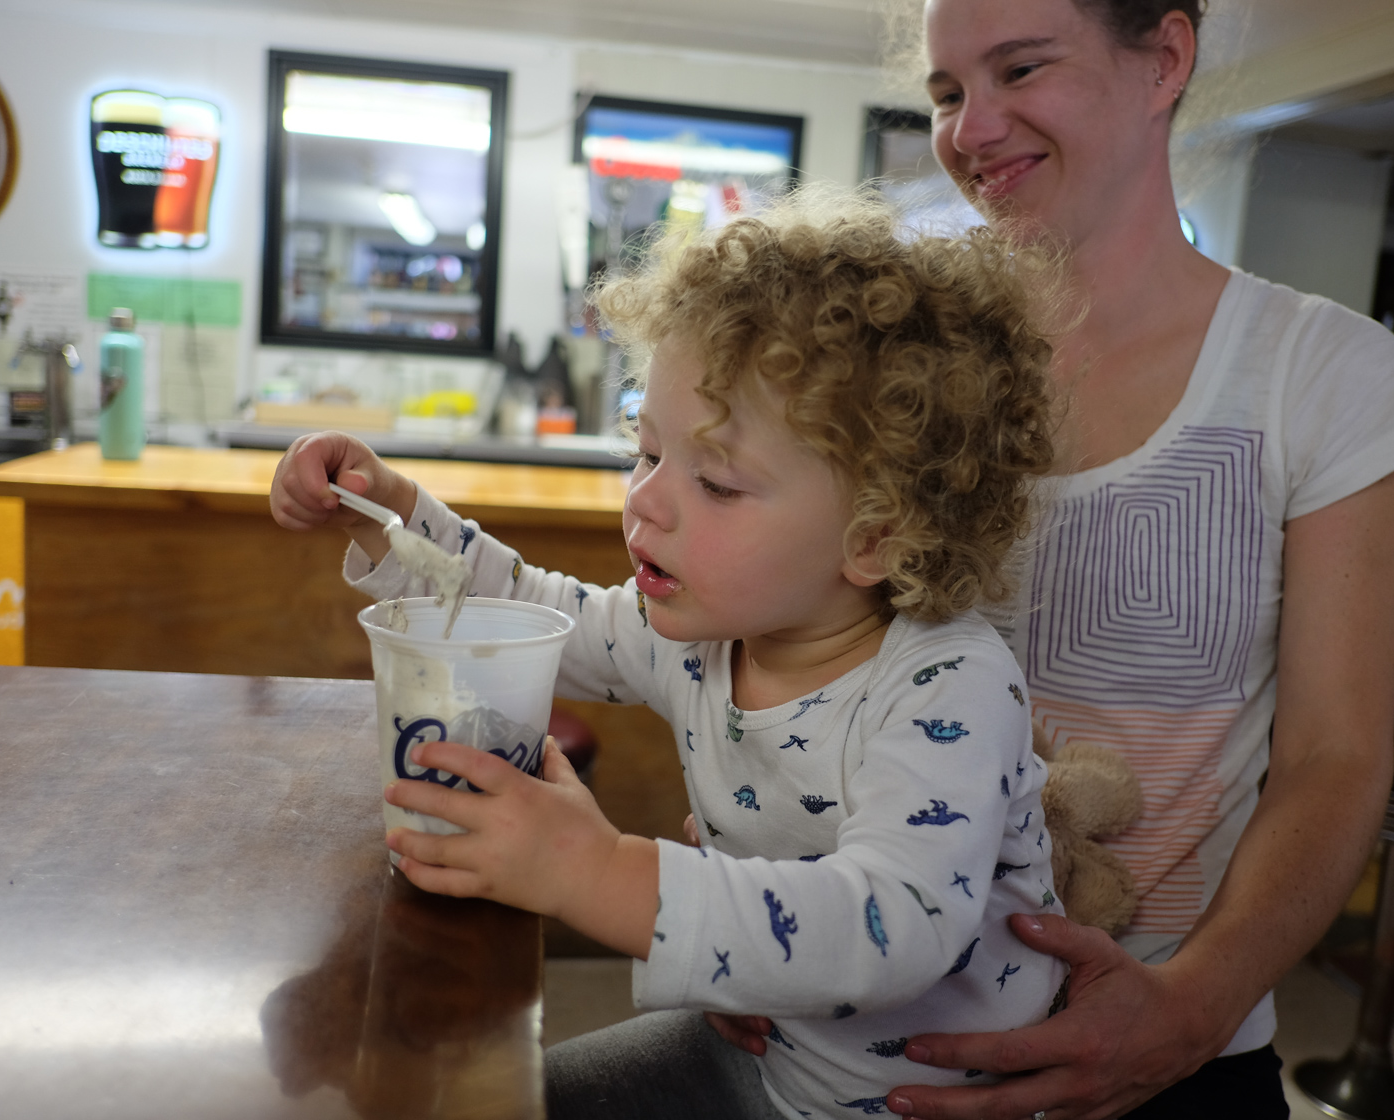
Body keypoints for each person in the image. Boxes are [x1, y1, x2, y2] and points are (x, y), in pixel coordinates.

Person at [696, 2, 1394, 1118]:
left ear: (1164, 57)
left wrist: (1191, 1007)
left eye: (1020, 69)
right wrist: (744, 872)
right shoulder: (888, 353)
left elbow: (1335, 762)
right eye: (950, 92)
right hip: (839, 1028)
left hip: (1162, 1053)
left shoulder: (1328, 374)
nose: (971, 129)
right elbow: (793, 641)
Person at [270, 196, 1071, 1119]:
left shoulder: (949, 684)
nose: (646, 503)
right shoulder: (693, 635)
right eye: (646, 451)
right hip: (762, 1064)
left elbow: (894, 925)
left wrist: (594, 870)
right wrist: (400, 513)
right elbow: (532, 609)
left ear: (876, 538)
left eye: (717, 481)